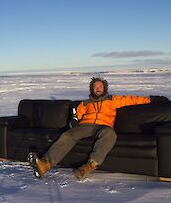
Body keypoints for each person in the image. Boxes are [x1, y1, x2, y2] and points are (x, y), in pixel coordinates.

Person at [28, 77, 169, 180]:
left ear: (105, 88)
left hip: (103, 126)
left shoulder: (113, 100)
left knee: (110, 134)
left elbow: (132, 99)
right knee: (67, 135)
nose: (98, 89)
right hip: (86, 126)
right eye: (95, 87)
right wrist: (74, 121)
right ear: (91, 89)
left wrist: (152, 99)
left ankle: (90, 165)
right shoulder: (85, 103)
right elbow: (76, 115)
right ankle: (44, 165)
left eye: (100, 86)